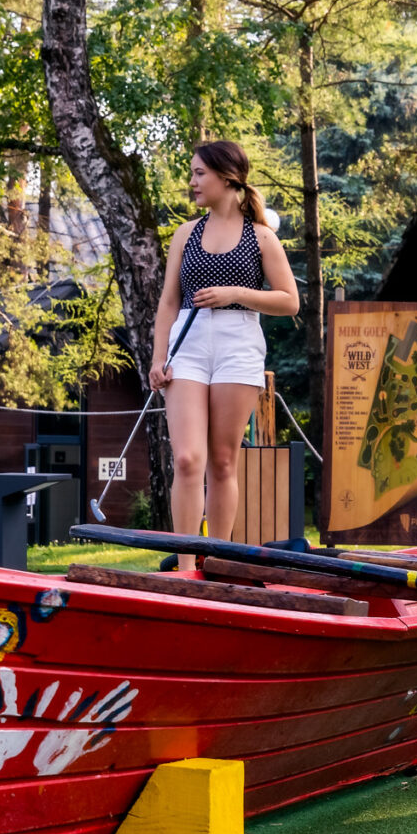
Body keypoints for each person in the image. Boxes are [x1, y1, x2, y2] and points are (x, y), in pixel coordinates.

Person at [149, 140, 302, 541]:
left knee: (221, 462)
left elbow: (290, 301)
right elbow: (168, 303)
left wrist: (235, 292)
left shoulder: (261, 238)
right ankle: (185, 568)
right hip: (188, 343)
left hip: (238, 344)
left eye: (200, 173)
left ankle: (216, 561)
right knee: (186, 459)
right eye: (193, 173)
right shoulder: (185, 235)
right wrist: (157, 357)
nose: (192, 182)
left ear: (227, 177)